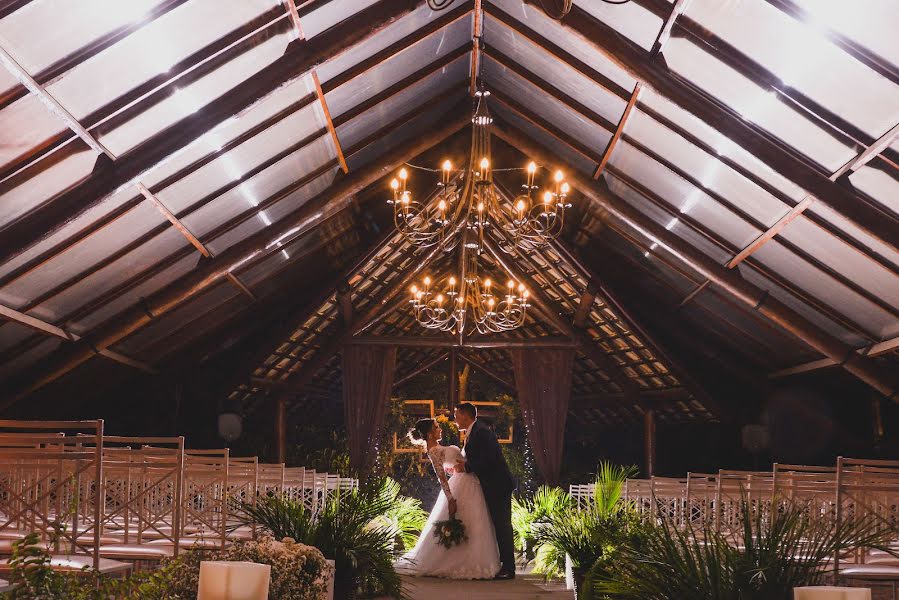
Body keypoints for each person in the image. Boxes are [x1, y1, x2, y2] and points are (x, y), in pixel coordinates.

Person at [397, 417, 501, 579]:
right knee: (468, 520)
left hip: (468, 482)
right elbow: (441, 478)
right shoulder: (434, 451)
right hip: (461, 487)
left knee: (475, 521)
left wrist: (455, 468)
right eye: (437, 427)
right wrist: (451, 499)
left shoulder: (439, 447)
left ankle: (473, 559)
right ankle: (461, 561)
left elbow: (451, 466)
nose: (440, 429)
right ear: (430, 434)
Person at [454, 402, 517, 579]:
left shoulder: (481, 432)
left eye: (457, 415)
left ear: (466, 415)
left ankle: (509, 568)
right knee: (496, 524)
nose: (455, 419)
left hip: (498, 484)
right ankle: (502, 563)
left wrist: (467, 467)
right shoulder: (473, 431)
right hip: (489, 484)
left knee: (502, 524)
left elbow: (490, 458)